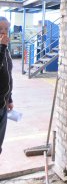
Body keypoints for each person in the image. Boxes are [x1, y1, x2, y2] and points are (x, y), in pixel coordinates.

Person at [0, 16, 13, 154]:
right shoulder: (3, 48)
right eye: (0, 29)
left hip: (3, 104)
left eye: (6, 29)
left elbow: (8, 76)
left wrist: (9, 99)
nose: (4, 32)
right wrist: (2, 47)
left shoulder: (6, 50)